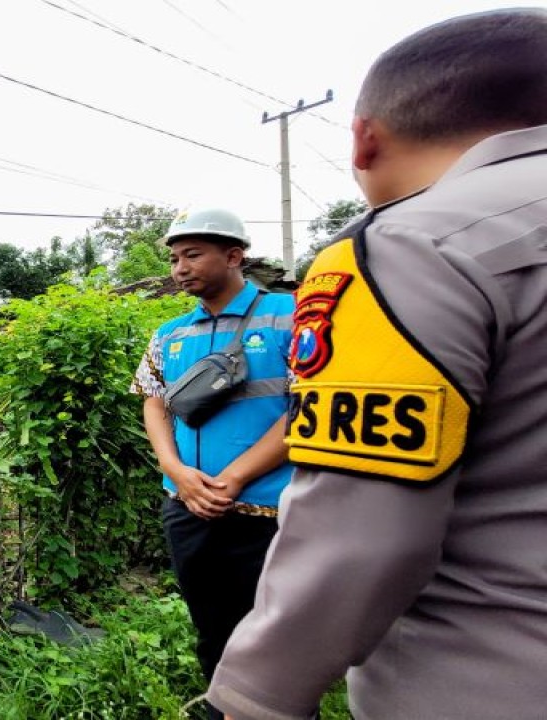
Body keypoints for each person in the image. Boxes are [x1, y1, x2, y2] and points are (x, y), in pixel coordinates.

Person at [207, 9, 547, 720]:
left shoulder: (415, 244)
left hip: (485, 678)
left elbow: (361, 532)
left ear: (364, 140)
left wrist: (248, 698)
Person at [129, 208, 295, 720]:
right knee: (210, 619)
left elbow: (309, 407)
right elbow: (153, 401)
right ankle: (222, 702)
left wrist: (236, 477)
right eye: (176, 258)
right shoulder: (170, 334)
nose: (180, 267)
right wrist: (175, 472)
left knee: (276, 626)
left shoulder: (291, 316)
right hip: (189, 506)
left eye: (193, 254)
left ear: (234, 255)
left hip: (270, 508)